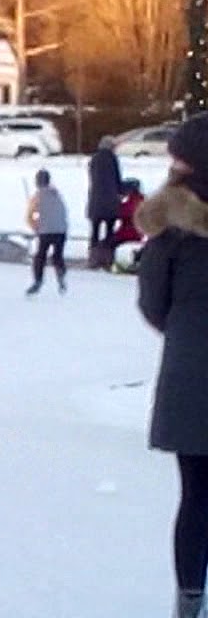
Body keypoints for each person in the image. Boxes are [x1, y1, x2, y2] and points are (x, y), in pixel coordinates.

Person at [135, 114, 208, 618]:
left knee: (197, 496)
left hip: (192, 377)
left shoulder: (169, 229)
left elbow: (152, 303)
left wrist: (185, 334)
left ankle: (189, 600)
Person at [24, 169, 69, 296]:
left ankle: (38, 280)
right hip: (61, 230)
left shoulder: (36, 197)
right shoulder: (57, 194)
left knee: (40, 256)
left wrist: (36, 227)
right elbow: (63, 212)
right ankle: (61, 274)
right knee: (58, 256)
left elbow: (29, 217)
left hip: (46, 231)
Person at [87, 135, 123, 268]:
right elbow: (117, 179)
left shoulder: (94, 159)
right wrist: (121, 192)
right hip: (110, 202)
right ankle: (107, 258)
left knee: (95, 231)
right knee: (109, 231)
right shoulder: (112, 159)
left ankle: (93, 258)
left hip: (95, 201)